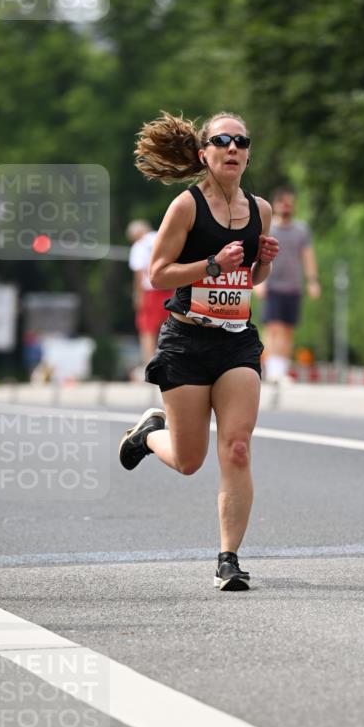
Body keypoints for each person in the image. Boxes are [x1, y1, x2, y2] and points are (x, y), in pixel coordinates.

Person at [118, 111, 278, 591]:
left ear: (248, 152)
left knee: (238, 447)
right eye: (222, 140)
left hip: (236, 341)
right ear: (204, 151)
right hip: (187, 342)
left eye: (241, 141)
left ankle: (228, 559)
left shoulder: (261, 210)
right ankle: (149, 434)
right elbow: (158, 273)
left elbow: (251, 280)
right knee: (190, 461)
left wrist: (262, 263)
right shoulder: (186, 207)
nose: (233, 148)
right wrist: (210, 263)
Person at [256, 187, 320, 382]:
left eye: (289, 203)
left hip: (293, 286)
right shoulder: (268, 228)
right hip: (271, 284)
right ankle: (271, 368)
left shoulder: (301, 230)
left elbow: (307, 256)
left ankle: (281, 369)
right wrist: (256, 282)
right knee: (273, 327)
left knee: (288, 329)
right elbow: (255, 253)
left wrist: (313, 281)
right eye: (283, 203)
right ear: (275, 205)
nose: (286, 206)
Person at [126, 219, 174, 368]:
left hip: (151, 292)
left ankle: (149, 364)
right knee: (173, 328)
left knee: (147, 329)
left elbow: (139, 275)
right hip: (170, 288)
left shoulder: (139, 246)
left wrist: (138, 296)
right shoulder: (163, 238)